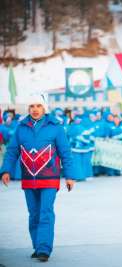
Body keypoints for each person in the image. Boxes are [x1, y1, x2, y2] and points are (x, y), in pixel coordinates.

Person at [0, 94, 76, 262]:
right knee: (33, 214)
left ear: (44, 108)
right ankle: (37, 246)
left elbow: (65, 153)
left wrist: (69, 176)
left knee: (45, 212)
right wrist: (6, 170)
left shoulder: (56, 127)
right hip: (28, 179)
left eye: (38, 106)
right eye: (32, 106)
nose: (35, 109)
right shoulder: (21, 127)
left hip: (49, 178)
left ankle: (43, 249)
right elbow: (12, 151)